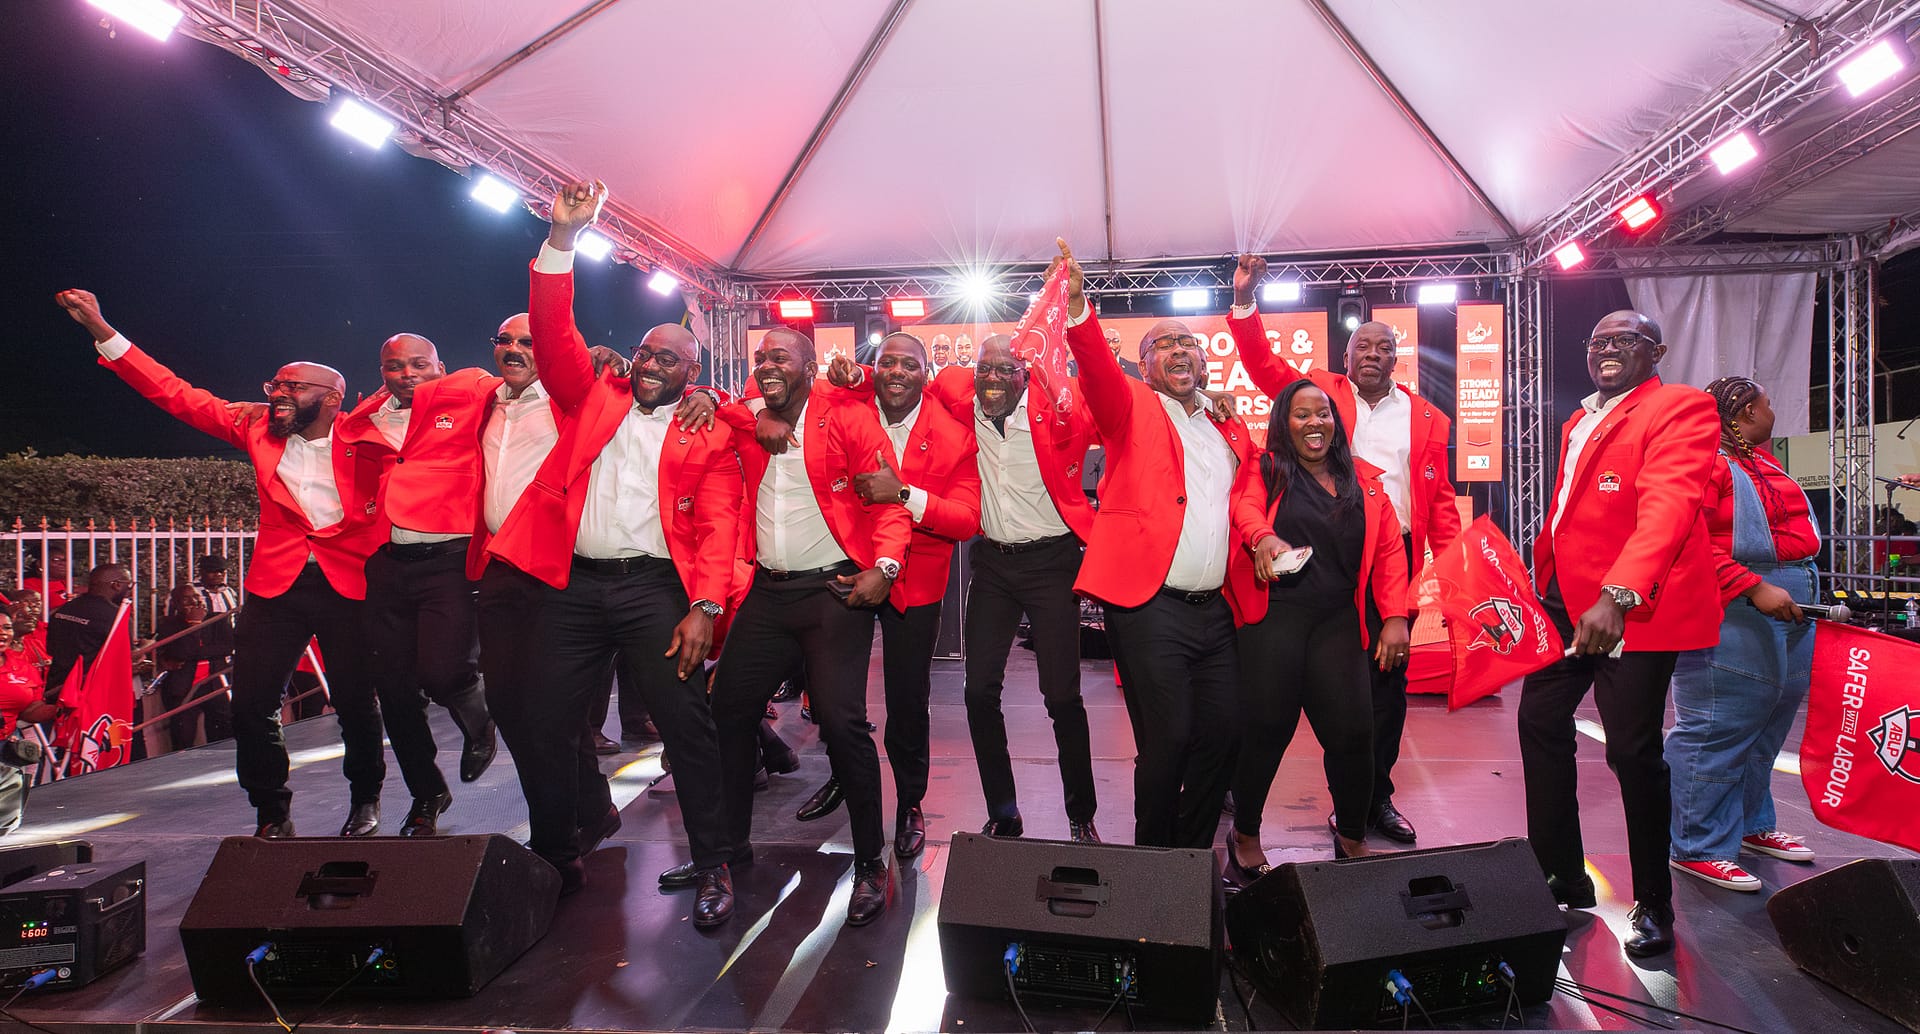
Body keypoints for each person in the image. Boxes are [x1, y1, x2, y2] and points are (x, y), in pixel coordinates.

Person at [489, 180, 742, 923]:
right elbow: (552, 328)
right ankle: (555, 857)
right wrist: (563, 239)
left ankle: (715, 864)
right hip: (572, 588)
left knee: (686, 728)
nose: (653, 363)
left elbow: (720, 524)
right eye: (645, 352)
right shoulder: (590, 395)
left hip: (654, 591)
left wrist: (705, 607)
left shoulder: (708, 429)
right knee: (543, 724)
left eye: (670, 358)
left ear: (693, 372)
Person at [58, 288, 388, 839]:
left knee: (356, 702)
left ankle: (366, 801)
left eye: (293, 386)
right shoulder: (254, 424)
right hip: (276, 587)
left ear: (333, 398)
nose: (278, 393)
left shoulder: (370, 435)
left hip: (351, 584)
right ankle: (272, 813)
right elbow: (174, 393)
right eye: (274, 385)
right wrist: (101, 329)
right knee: (253, 704)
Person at [1226, 255, 1460, 844]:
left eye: (1384, 347)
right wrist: (1247, 302)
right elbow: (1263, 364)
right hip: (1309, 561)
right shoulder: (1319, 396)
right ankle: (1251, 823)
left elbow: (1441, 500)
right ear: (1346, 356)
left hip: (1388, 552)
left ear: (1397, 356)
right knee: (1277, 714)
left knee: (1382, 699)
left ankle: (1372, 802)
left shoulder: (1428, 417)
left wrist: (1456, 584)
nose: (1373, 355)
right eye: (1362, 346)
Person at [1520, 310, 1720, 958]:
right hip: (1565, 602)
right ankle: (1562, 872)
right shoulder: (1579, 419)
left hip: (1630, 609)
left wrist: (1616, 595)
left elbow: (1668, 506)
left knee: (1633, 754)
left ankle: (1654, 902)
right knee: (1538, 722)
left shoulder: (1679, 408)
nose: (1607, 348)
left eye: (1624, 339)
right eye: (1598, 339)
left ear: (1655, 351)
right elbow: (1569, 513)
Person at [1056, 238, 1257, 849]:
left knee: (1225, 733)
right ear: (1144, 366)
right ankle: (1154, 861)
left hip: (1216, 610)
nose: (1178, 350)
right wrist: (1077, 307)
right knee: (1167, 739)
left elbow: (1249, 497)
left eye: (1187, 343)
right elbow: (1097, 370)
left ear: (1204, 362)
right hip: (1149, 606)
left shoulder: (1227, 425)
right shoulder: (1132, 407)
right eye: (1162, 344)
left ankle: (1189, 855)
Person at [712, 324, 912, 927]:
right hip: (767, 593)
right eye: (760, 358)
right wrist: (754, 414)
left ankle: (872, 862)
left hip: (833, 591)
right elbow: (715, 402)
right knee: (727, 710)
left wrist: (885, 567)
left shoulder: (848, 416)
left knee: (843, 723)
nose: (767, 365)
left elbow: (889, 502)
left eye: (781, 357)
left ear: (809, 366)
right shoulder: (751, 413)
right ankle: (725, 852)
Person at [793, 337, 982, 860]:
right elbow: (777, 385)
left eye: (909, 364)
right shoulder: (845, 407)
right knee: (830, 693)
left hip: (915, 580)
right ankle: (844, 774)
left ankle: (910, 802)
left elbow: (966, 520)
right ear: (871, 370)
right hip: (846, 567)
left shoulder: (954, 435)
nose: (897, 372)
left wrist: (903, 495)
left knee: (906, 699)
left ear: (926, 374)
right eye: (887, 362)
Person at [1222, 380, 1410, 876]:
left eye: (1322, 414)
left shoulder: (1364, 481)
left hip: (1338, 622)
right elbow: (1244, 508)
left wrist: (1395, 616)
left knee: (1354, 734)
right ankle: (1245, 833)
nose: (1314, 423)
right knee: (1266, 730)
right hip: (1274, 620)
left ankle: (1351, 835)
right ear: (1284, 422)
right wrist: (1262, 537)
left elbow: (1390, 551)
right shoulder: (1266, 468)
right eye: (1301, 414)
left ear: (1335, 422)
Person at [339, 332, 500, 837]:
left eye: (418, 364)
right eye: (394, 366)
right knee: (394, 691)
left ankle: (480, 720)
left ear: (440, 367)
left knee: (443, 673)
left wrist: (703, 394)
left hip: (451, 560)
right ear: (381, 373)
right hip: (388, 564)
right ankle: (427, 794)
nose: (406, 374)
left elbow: (529, 384)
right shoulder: (368, 419)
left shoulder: (471, 392)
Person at [1666, 376, 1822, 891]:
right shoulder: (1704, 462)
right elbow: (1684, 537)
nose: (1773, 411)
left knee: (1768, 723)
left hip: (1791, 598)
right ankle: (1698, 844)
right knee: (1719, 724)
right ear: (1748, 411)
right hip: (1736, 602)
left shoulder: (1762, 462)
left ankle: (1752, 824)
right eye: (1768, 403)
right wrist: (1752, 586)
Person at [152, 584, 233, 748]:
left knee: (222, 733)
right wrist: (195, 624)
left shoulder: (217, 620)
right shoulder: (168, 625)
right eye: (186, 599)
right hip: (184, 687)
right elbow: (181, 653)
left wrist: (195, 652)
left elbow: (227, 647)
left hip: (215, 683)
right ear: (175, 604)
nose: (194, 601)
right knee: (183, 735)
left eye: (197, 596)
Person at [0, 611, 59, 835]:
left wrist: (60, 709)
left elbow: (30, 710)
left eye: (6, 627)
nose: (2, 633)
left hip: (6, 752)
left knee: (6, 826)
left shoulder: (23, 667)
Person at [44, 564, 132, 697]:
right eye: (129, 585)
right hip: (90, 692)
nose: (130, 590)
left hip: (57, 686)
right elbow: (123, 659)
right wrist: (145, 647)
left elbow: (51, 648)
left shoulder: (65, 609)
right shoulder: (116, 616)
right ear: (116, 585)